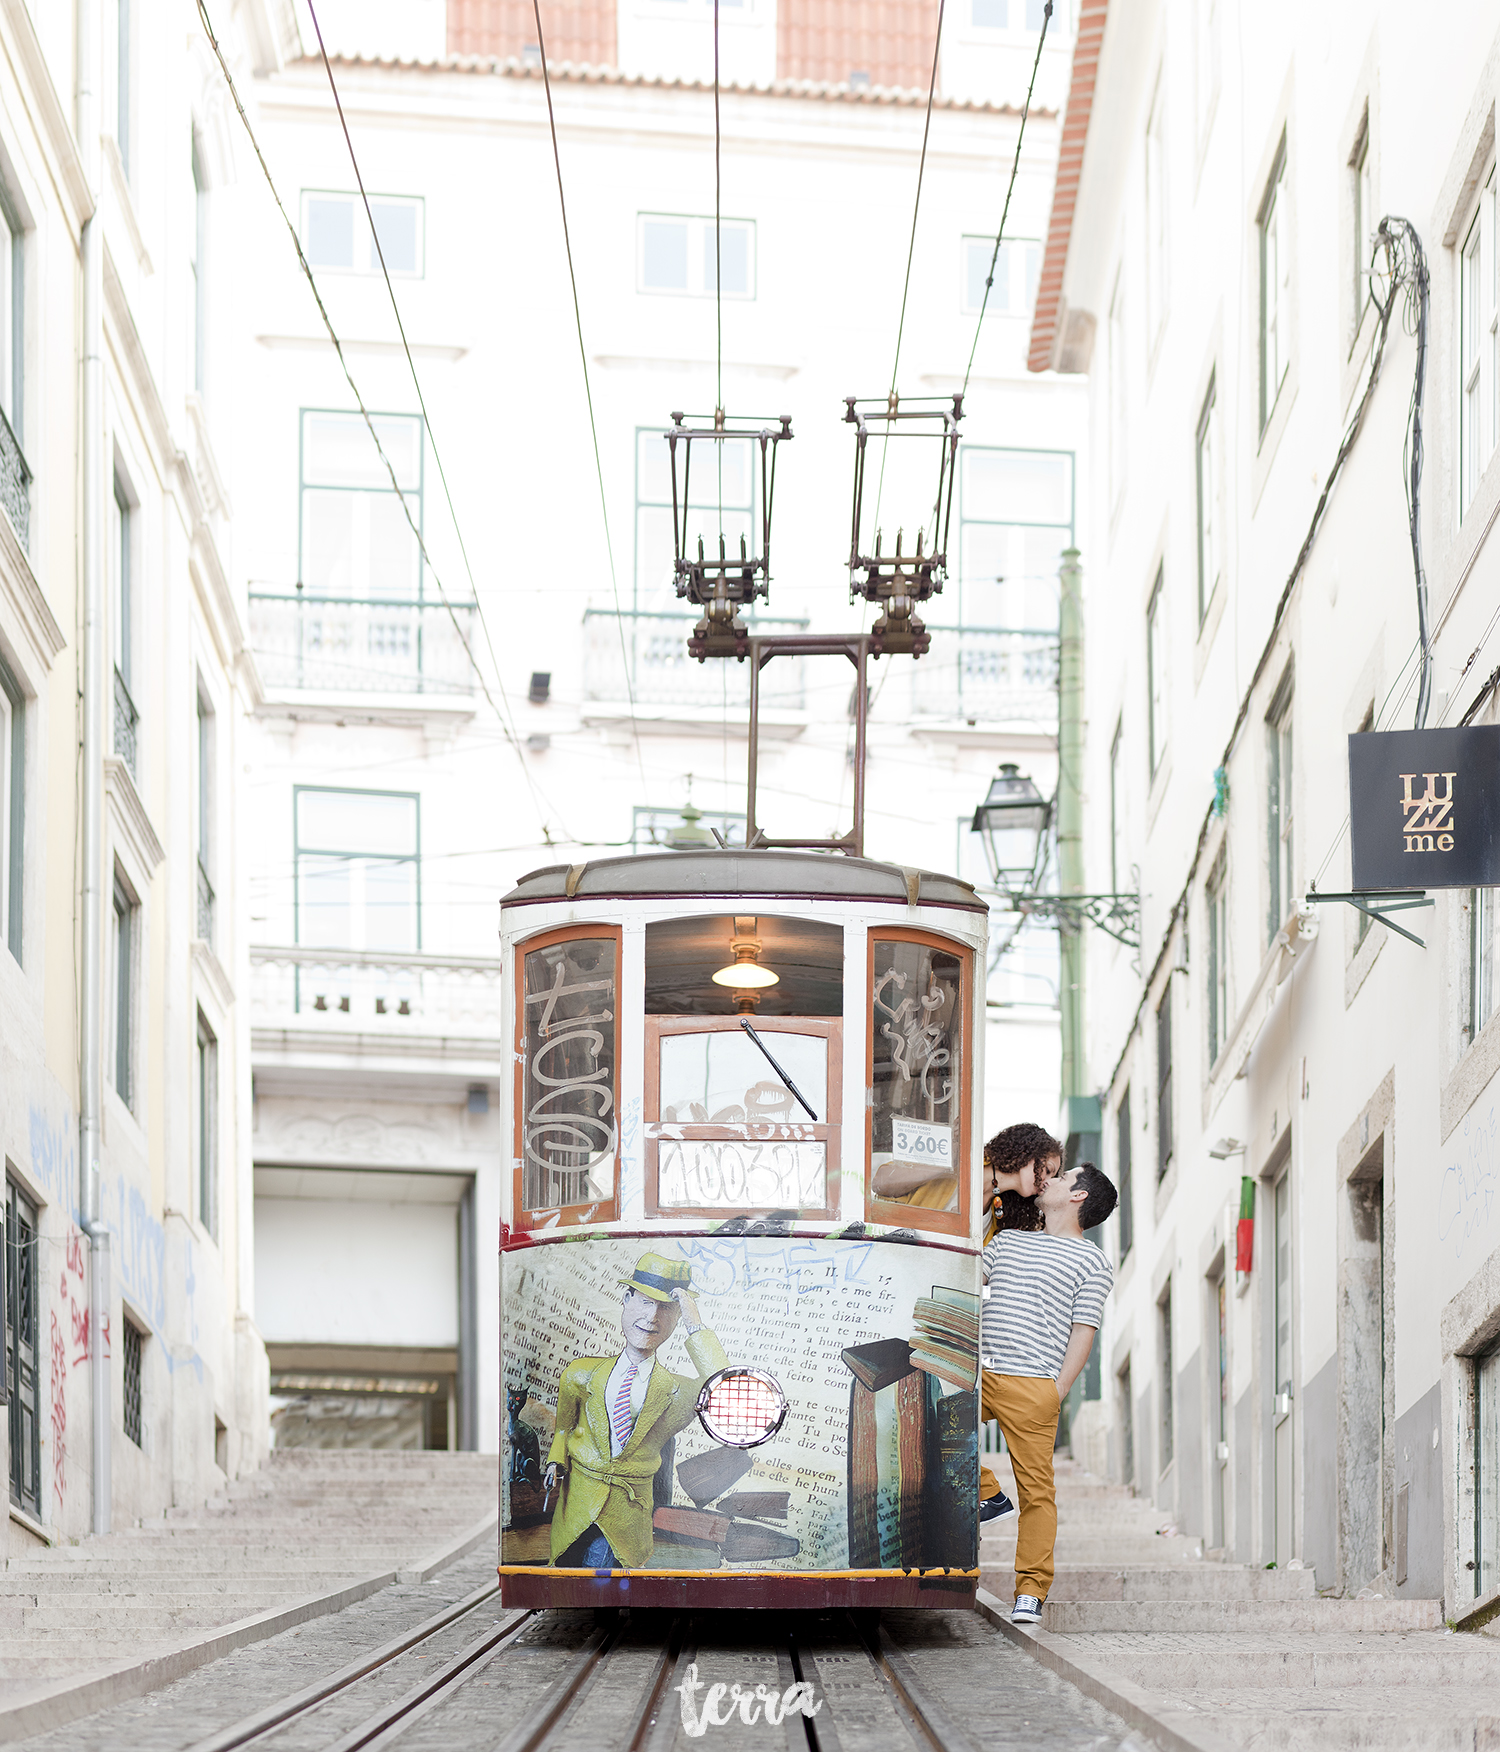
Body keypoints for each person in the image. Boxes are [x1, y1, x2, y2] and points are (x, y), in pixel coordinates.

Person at [979, 1161, 1118, 1625]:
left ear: (1077, 1197)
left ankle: (1030, 1591)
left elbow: (1084, 1331)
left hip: (1035, 1386)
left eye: (1061, 1178)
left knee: (1037, 1493)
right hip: (979, 1375)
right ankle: (987, 1492)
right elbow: (966, 1278)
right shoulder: (1010, 1239)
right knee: (916, 1417)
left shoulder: (1093, 1261)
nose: (1049, 1181)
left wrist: (1056, 1391)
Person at [545, 1252, 727, 1569]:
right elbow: (564, 1428)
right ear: (627, 1299)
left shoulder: (681, 1391)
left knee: (602, 1576)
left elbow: (725, 1388)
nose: (653, 1317)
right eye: (644, 1301)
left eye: (667, 1308)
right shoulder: (580, 1373)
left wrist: (695, 1324)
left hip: (627, 1512)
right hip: (577, 1502)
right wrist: (555, 1460)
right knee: (567, 1566)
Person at [978, 1124, 1063, 1520]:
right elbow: (885, 1180)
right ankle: (987, 1492)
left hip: (1005, 1365)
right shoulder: (964, 1165)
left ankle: (987, 1494)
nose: (1048, 1181)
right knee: (926, 1407)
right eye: (1048, 1168)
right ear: (1028, 1154)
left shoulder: (1003, 1216)